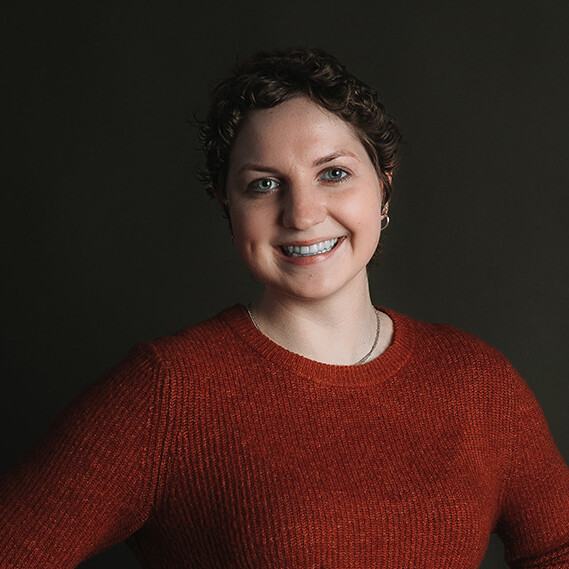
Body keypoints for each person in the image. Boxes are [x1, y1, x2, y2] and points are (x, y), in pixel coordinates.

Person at [1, 47, 568, 568]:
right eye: (264, 184)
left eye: (334, 173)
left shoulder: (475, 383)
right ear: (228, 207)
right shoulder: (169, 393)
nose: (302, 212)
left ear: (384, 187)